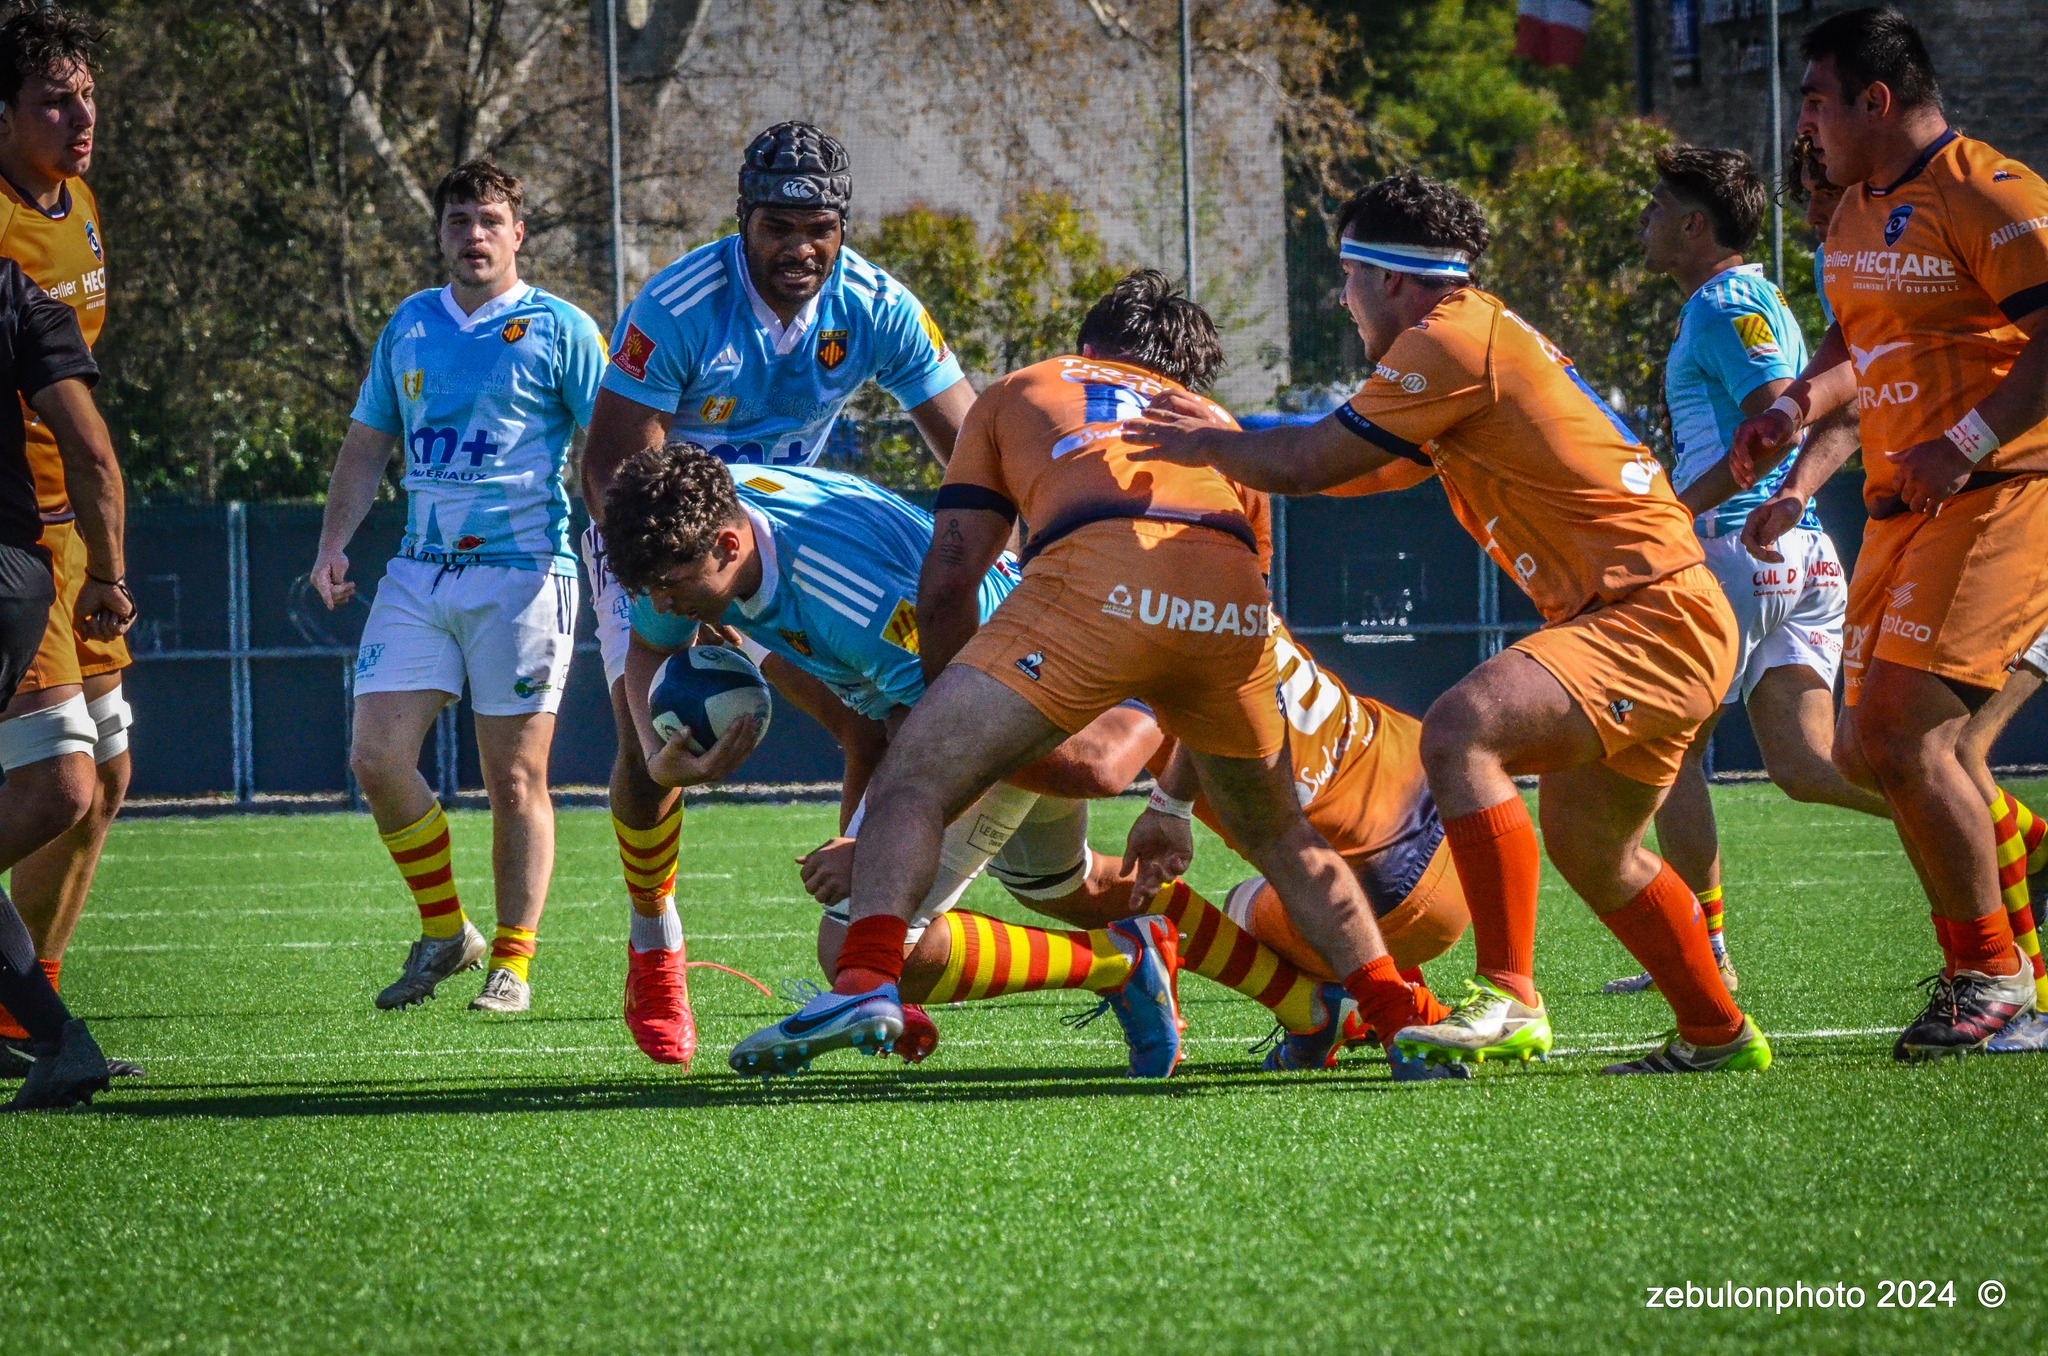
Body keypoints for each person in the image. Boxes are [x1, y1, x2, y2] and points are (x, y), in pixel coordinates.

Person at [726, 269, 1452, 1081]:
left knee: (918, 775)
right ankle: (1401, 1015)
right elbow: (1244, 625)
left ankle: (866, 979)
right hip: (1224, 619)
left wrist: (941, 726)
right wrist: (1170, 806)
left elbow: (953, 570)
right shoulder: (1216, 426)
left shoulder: (1022, 388)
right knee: (1277, 839)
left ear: (1087, 350)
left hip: (1094, 599)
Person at [1132, 174, 1769, 1076]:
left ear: (1392, 280)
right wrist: (1240, 445)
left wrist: (1201, 442)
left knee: (1462, 730)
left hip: (1649, 615)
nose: (1340, 297)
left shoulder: (1447, 341)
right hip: (1665, 611)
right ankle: (1717, 1033)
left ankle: (1510, 996)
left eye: (1347, 274)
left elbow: (1316, 459)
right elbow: (1362, 471)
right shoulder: (1467, 338)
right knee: (1597, 850)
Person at [601, 443, 1344, 1076]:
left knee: (859, 944)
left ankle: (1123, 931)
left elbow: (932, 738)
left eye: (669, 586)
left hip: (999, 686)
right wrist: (655, 755)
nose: (660, 601)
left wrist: (870, 845)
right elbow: (648, 645)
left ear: (729, 548)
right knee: (1072, 888)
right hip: (991, 663)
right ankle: (1305, 1002)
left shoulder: (848, 598)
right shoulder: (693, 519)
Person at [577, 122, 975, 1067]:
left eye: (820, 227)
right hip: (658, 528)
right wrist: (675, 584)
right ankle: (654, 941)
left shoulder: (876, 303)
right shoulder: (680, 303)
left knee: (865, 723)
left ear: (843, 226)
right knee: (652, 742)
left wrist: (994, 553)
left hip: (780, 535)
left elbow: (970, 446)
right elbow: (605, 464)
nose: (801, 247)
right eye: (779, 225)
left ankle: (861, 963)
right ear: (743, 222)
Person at [1730, 6, 2048, 1059]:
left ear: (1874, 100)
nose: (1802, 124)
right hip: (1901, 507)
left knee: (1911, 733)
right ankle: (2020, 894)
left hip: (2005, 486)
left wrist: (1961, 436)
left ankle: (1991, 980)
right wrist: (1794, 406)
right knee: (1865, 749)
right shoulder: (1853, 214)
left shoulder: (1985, 190)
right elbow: (1851, 337)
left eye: (1814, 100)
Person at [310, 160, 606, 1015]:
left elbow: (613, 441)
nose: (473, 236)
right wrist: (335, 543)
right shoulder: (408, 326)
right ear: (439, 235)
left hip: (524, 574)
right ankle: (449, 932)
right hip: (418, 571)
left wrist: (630, 543)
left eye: (489, 220)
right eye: (457, 222)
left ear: (519, 234)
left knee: (513, 780)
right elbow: (368, 445)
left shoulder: (561, 328)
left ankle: (513, 959)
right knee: (375, 756)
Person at [1609, 143, 1889, 996]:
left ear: (1696, 225)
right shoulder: (1742, 296)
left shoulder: (1725, 300)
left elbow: (1779, 413)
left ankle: (1702, 952)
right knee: (1806, 767)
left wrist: (1675, 508)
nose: (1648, 220)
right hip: (1796, 556)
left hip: (1738, 552)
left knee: (1664, 751)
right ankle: (1991, 837)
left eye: (1659, 206)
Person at [0, 6, 138, 1073]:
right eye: (54, 98)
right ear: (3, 116)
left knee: (113, 773)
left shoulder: (80, 202)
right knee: (60, 783)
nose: (79, 114)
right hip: (19, 540)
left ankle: (29, 1007)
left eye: (85, 93)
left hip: (80, 533)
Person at [0, 252, 126, 1107]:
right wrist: (109, 574)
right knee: (66, 783)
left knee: (72, 782)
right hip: (20, 577)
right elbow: (93, 451)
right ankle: (51, 1034)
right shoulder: (16, 289)